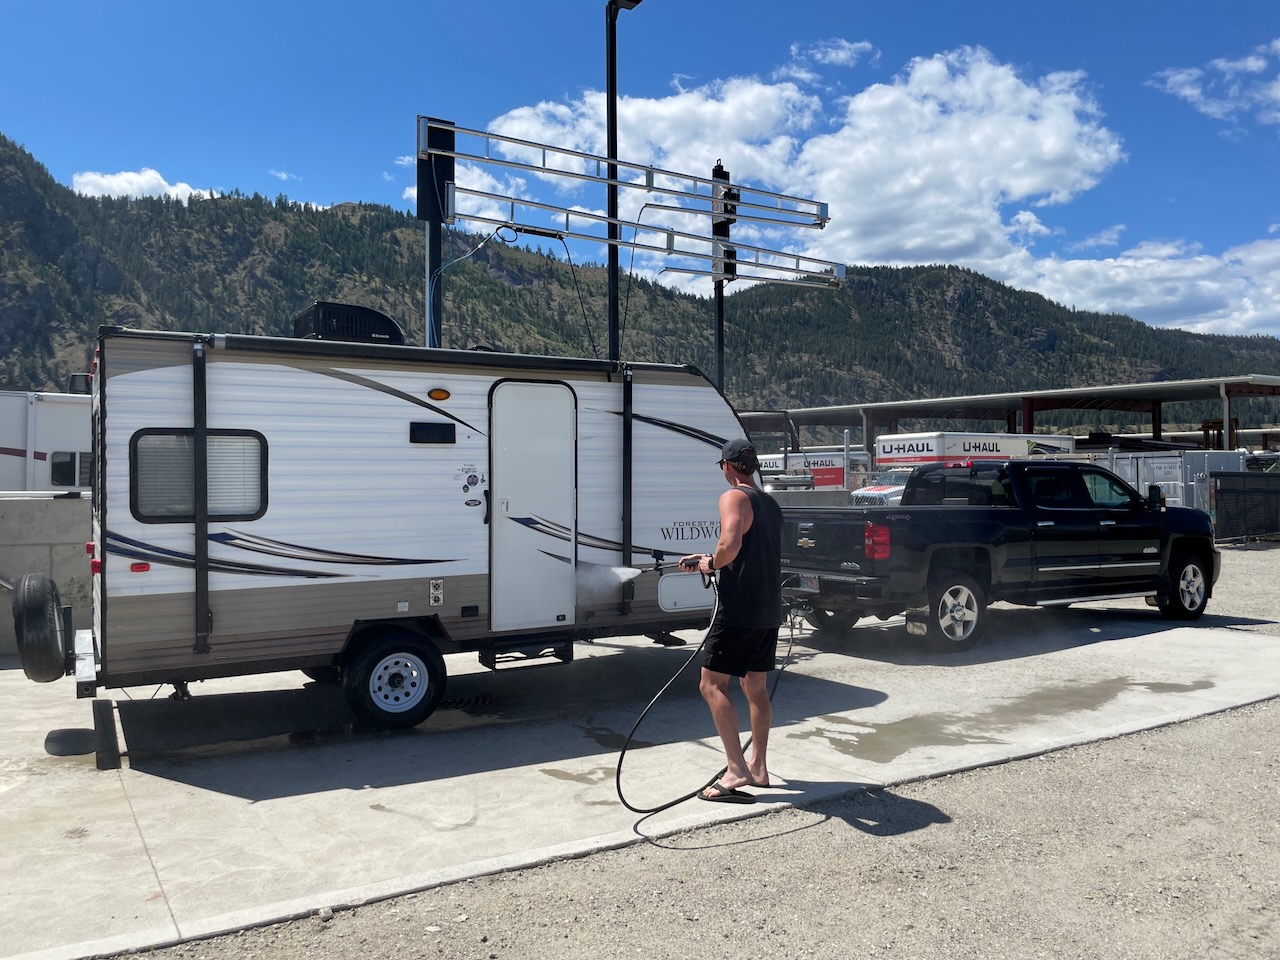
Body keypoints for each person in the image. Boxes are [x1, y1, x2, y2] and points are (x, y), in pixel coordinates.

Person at [681, 437, 784, 804]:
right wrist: (713, 556)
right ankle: (758, 767)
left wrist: (711, 563)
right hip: (769, 609)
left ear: (726, 466)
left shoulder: (733, 497)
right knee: (755, 687)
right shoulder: (771, 504)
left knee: (711, 685)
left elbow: (731, 541)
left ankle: (736, 769)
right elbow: (746, 548)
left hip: (739, 610)